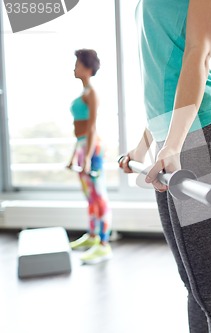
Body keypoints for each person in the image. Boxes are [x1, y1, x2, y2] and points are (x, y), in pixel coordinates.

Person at [118, 0, 211, 332]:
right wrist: (144, 145)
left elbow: (198, 54)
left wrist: (174, 143)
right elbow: (164, 75)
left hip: (203, 134)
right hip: (174, 137)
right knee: (195, 283)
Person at [67, 49, 112, 264]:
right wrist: (73, 156)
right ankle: (92, 236)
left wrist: (86, 159)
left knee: (99, 195)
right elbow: (80, 133)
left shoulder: (92, 93)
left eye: (77, 64)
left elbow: (92, 127)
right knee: (90, 197)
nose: (74, 68)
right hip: (82, 146)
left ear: (86, 68)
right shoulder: (83, 94)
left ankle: (103, 245)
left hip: (92, 149)